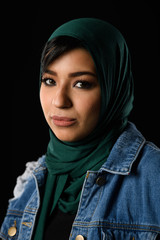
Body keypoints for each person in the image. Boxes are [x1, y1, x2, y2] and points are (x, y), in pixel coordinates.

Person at [1, 18, 160, 240]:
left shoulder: (154, 178)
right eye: (49, 81)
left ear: (114, 89)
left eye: (81, 84)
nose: (59, 101)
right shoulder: (33, 180)